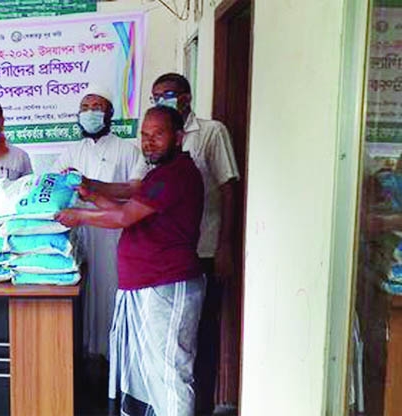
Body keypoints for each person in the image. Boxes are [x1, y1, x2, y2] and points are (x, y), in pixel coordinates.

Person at [56, 106, 205, 416]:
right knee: (148, 372)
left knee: (169, 370)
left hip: (167, 283)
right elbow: (132, 213)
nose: (148, 142)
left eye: (157, 135)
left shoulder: (175, 174)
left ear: (178, 137)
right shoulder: (160, 174)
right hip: (147, 284)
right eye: (145, 135)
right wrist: (90, 195)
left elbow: (124, 216)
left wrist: (79, 217)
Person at [151, 73, 240, 413]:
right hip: (171, 253)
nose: (162, 101)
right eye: (156, 96)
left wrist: (225, 245)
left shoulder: (211, 132)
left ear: (186, 96)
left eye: (169, 94)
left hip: (205, 248)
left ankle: (201, 407)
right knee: (175, 339)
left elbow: (228, 186)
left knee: (202, 335)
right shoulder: (156, 136)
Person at [51, 86, 146, 395]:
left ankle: (115, 364)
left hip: (113, 234)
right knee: (81, 294)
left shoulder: (128, 149)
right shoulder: (70, 152)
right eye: (85, 106)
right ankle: (82, 363)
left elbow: (137, 189)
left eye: (97, 106)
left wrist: (96, 189)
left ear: (109, 114)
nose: (90, 111)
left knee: (110, 293)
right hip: (78, 234)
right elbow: (53, 187)